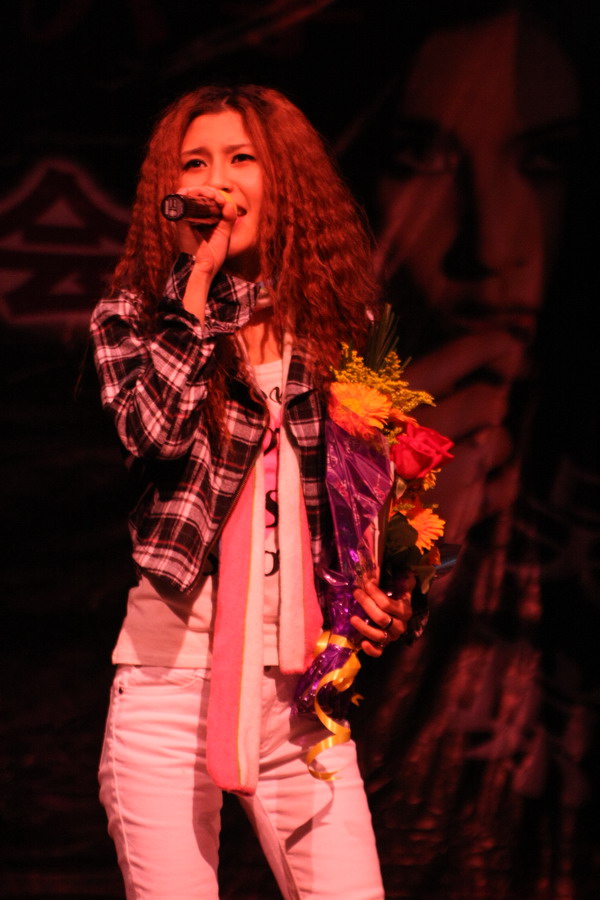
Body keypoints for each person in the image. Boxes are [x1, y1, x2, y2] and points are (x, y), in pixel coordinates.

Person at [90, 84, 413, 900]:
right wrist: (195, 287)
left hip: (302, 699)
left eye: (241, 158)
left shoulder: (341, 331)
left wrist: (392, 593)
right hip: (168, 686)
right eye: (195, 163)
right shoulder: (136, 318)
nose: (217, 180)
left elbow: (375, 504)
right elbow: (153, 432)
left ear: (284, 181)